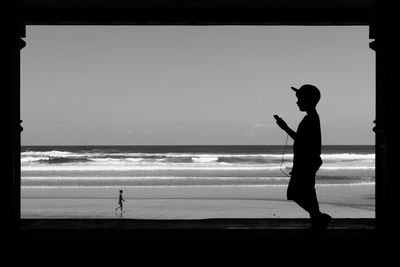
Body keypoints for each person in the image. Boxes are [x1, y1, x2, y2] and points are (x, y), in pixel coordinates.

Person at [274, 84, 331, 231]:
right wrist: (285, 127)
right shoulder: (311, 118)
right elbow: (301, 140)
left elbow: (302, 142)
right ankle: (318, 221)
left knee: (296, 193)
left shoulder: (310, 119)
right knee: (308, 193)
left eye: (299, 99)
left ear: (308, 100)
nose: (297, 102)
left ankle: (318, 217)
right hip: (307, 162)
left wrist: (285, 127)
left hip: (307, 162)